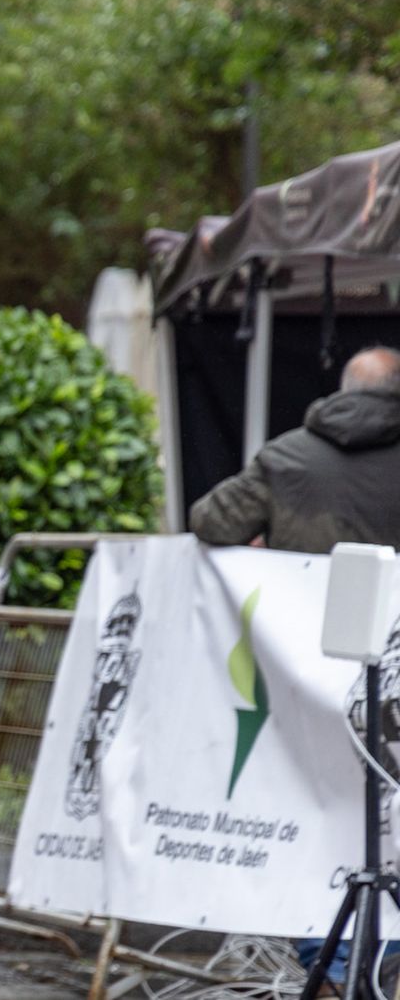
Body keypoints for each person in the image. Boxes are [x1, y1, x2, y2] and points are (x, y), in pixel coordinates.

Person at [191, 344, 400, 997]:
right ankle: (389, 958)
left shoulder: (287, 455)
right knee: (390, 817)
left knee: (311, 815)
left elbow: (210, 519)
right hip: (392, 678)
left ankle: (329, 960)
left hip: (304, 674)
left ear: (342, 389)